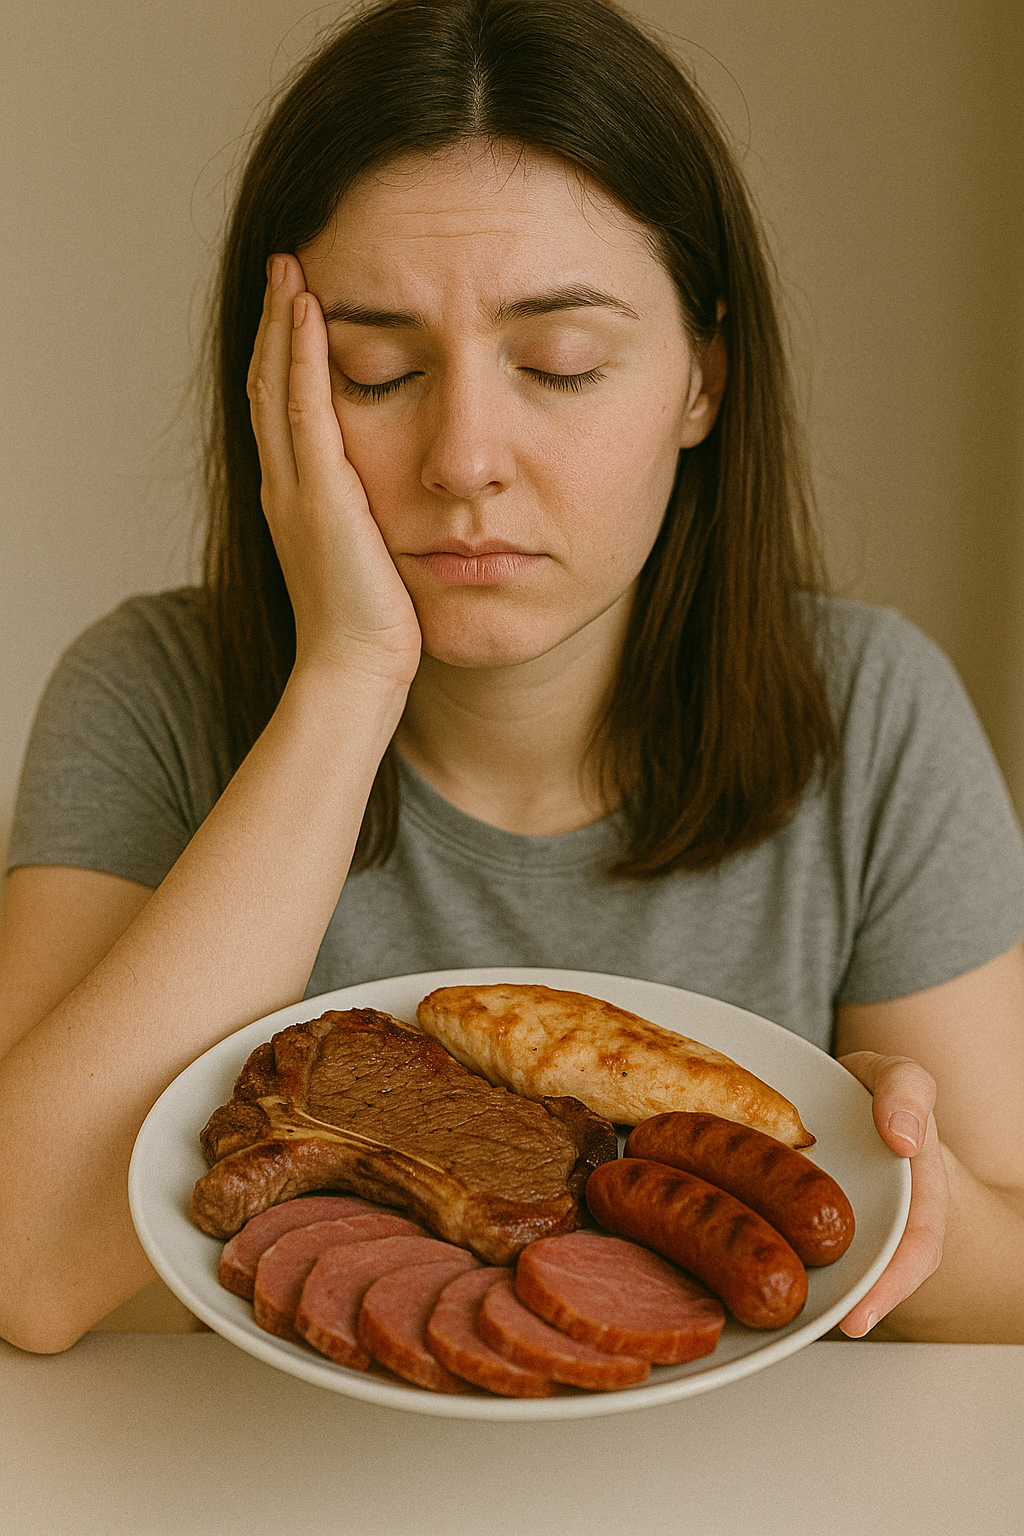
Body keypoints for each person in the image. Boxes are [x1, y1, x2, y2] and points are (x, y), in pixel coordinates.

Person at [1, 0, 1022, 1354]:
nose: (465, 455)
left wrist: (908, 1187)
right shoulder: (149, 690)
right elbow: (23, 1267)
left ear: (704, 379)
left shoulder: (874, 707)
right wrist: (348, 676)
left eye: (560, 363)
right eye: (375, 371)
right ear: (274, 392)